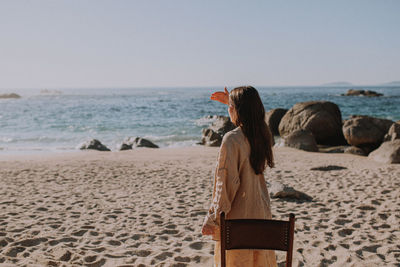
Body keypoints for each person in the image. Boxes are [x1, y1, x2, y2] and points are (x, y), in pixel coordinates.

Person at [201, 86, 277, 267]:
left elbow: (225, 186)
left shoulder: (231, 139)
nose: (228, 110)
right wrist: (232, 102)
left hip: (238, 221)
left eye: (230, 107)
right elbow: (253, 117)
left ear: (237, 110)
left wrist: (212, 219)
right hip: (261, 217)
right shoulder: (262, 135)